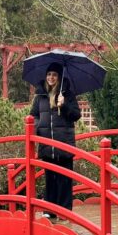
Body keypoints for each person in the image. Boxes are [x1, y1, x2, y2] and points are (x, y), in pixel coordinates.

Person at [29, 63, 81, 214]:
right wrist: (39, 128)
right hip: (47, 144)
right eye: (49, 74)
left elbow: (76, 115)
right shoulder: (40, 96)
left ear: (59, 77)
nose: (51, 77)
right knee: (50, 178)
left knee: (64, 178)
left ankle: (65, 211)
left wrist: (63, 105)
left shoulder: (68, 95)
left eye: (54, 75)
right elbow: (34, 116)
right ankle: (50, 210)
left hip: (64, 142)